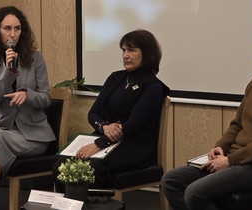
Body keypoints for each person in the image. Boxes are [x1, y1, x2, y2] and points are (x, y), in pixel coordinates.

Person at [161, 23, 252, 210]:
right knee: (171, 181)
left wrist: (230, 160)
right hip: (239, 160)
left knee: (194, 193)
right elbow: (237, 124)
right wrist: (221, 147)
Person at [53, 29, 170, 190]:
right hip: (105, 137)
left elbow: (133, 125)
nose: (125, 55)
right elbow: (93, 113)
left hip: (134, 145)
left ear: (147, 53)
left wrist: (98, 144)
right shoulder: (115, 77)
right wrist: (104, 127)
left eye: (131, 50)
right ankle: (69, 203)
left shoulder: (153, 87)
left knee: (91, 169)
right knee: (60, 164)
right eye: (124, 50)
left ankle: (93, 204)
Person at [0, 6, 55, 210]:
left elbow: (46, 99)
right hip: (4, 129)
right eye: (7, 28)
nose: (12, 34)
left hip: (34, 135)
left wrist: (28, 95)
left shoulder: (35, 58)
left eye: (17, 28)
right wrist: (8, 72)